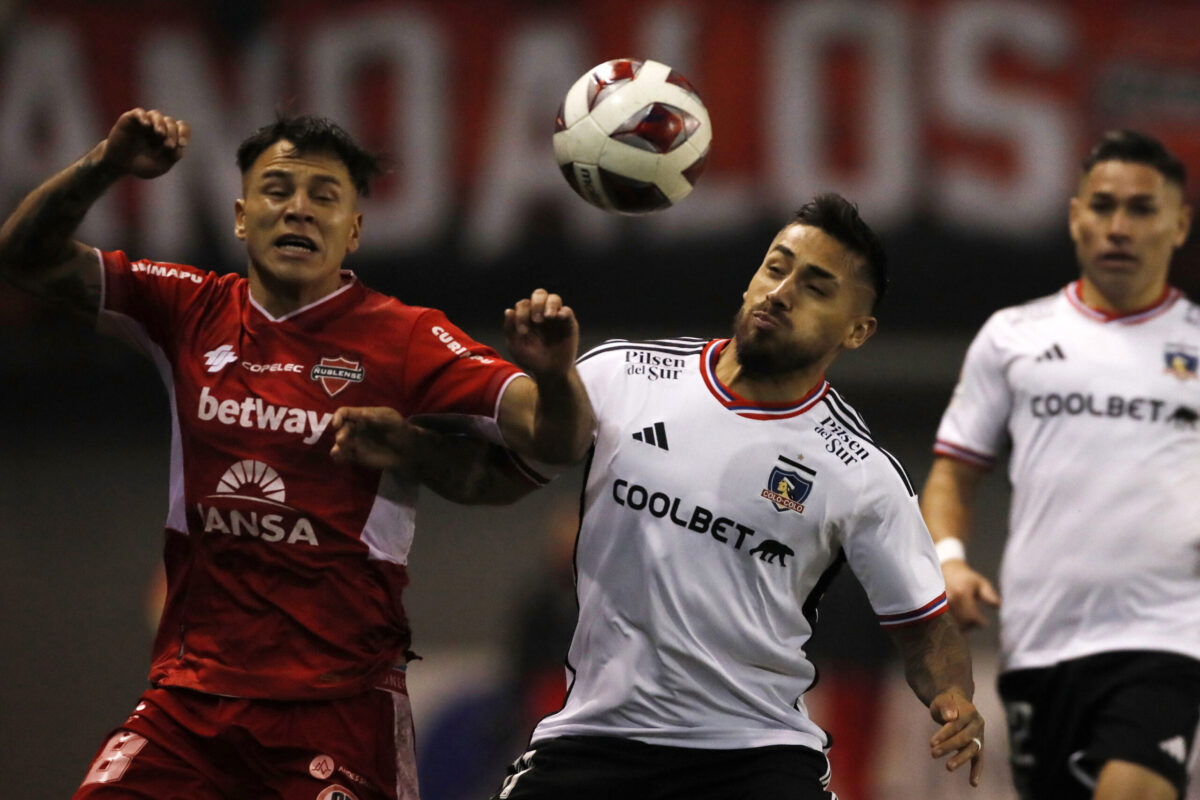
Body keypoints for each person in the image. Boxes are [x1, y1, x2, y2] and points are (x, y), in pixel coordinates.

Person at [0, 108, 592, 800]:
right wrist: (106, 163)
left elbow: (561, 439)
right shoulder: (187, 308)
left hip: (338, 711)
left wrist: (552, 375)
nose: (299, 210)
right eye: (277, 190)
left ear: (355, 230)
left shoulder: (404, 338)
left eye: (324, 196)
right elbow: (24, 257)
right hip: (188, 705)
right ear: (242, 217)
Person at [334, 193, 987, 799]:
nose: (782, 293)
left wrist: (953, 698)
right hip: (594, 742)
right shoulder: (623, 375)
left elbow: (926, 628)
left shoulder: (860, 470)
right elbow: (497, 478)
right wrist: (411, 448)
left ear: (857, 331)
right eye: (776, 269)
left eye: (816, 287)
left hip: (755, 757)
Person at [920, 129, 1200, 800]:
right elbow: (952, 476)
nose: (1119, 226)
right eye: (1102, 206)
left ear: (1179, 224)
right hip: (1037, 642)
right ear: (1076, 216)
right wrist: (951, 559)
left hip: (1166, 637)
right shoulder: (1013, 336)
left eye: (1141, 208)